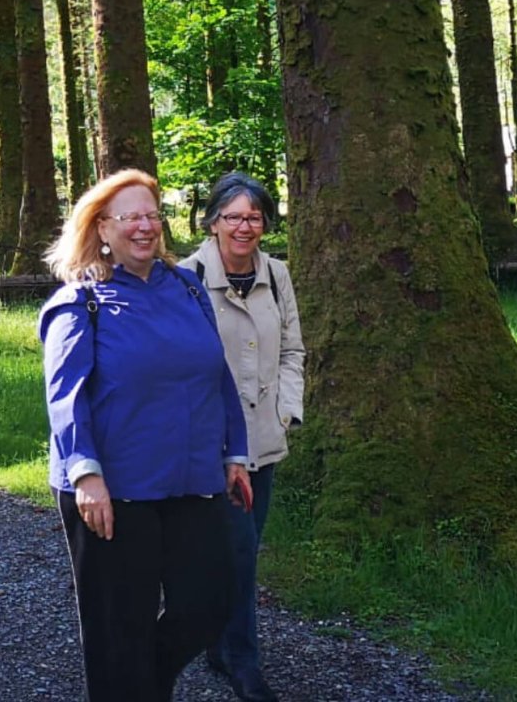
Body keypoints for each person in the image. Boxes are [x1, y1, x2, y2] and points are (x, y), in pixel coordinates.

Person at [40, 168, 253, 701]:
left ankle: (141, 686)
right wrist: (84, 474)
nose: (144, 226)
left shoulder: (184, 285)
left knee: (209, 602)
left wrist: (235, 452)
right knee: (120, 627)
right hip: (113, 491)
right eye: (130, 216)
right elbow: (65, 397)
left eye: (152, 215)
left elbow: (215, 370)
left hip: (191, 479)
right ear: (102, 229)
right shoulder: (80, 301)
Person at [179, 173, 303, 702]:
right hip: (211, 444)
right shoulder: (184, 278)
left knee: (240, 549)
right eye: (233, 216)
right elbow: (177, 362)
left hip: (265, 440)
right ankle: (244, 664)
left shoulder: (277, 275)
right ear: (212, 222)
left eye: (254, 217)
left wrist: (287, 410)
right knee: (238, 553)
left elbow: (294, 349)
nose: (244, 226)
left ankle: (216, 641)